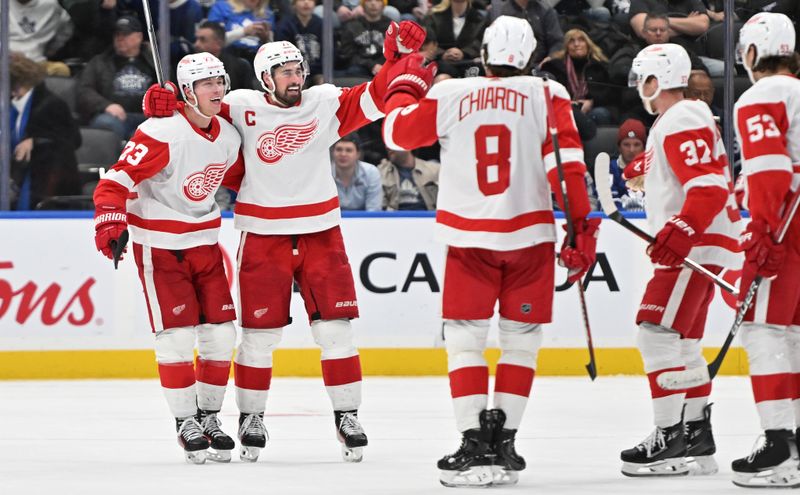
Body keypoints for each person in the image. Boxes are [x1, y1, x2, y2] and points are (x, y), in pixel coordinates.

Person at [144, 21, 426, 463]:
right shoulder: (239, 106)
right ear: (264, 80)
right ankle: (251, 418)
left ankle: (347, 415)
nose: (296, 78)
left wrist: (393, 62)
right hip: (262, 236)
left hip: (321, 231)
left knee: (336, 331)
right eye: (286, 72)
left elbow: (374, 99)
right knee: (259, 337)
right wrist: (160, 105)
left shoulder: (324, 102)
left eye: (299, 70)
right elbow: (192, 114)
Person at [381, 16, 598, 487]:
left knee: (464, 340)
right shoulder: (548, 95)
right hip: (530, 238)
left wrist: (401, 82)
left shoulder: (450, 93)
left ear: (483, 52)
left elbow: (396, 135)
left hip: (469, 238)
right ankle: (507, 441)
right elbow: (568, 170)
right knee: (522, 340)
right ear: (533, 54)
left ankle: (474, 442)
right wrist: (581, 231)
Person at [92, 53, 242, 464]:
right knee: (176, 338)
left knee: (222, 336)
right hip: (161, 249)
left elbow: (246, 177)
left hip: (206, 245)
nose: (216, 90)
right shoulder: (159, 133)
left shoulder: (229, 136)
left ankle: (209, 416)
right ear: (188, 92)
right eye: (206, 84)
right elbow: (114, 182)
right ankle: (184, 421)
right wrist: (109, 223)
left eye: (220, 81)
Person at [618, 42, 742, 477]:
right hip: (709, 240)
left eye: (642, 79)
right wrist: (645, 174)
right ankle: (695, 434)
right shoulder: (684, 118)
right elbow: (688, 171)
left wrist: (682, 229)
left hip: (696, 244)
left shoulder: (680, 116)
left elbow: (706, 186)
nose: (639, 88)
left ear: (657, 79)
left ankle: (668, 438)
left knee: (655, 334)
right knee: (684, 342)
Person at [731, 12, 800, 489]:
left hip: (789, 223)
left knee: (764, 331)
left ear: (752, 53)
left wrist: (763, 233)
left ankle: (780, 445)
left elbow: (772, 173)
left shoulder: (761, 94)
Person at [9, 52, 81, 210]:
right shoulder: (13, 106)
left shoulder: (51, 105)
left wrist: (36, 141)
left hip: (49, 184)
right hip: (25, 179)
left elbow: (74, 139)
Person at [78, 16, 157, 140]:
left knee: (154, 131)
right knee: (105, 123)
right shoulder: (99, 62)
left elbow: (170, 90)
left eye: (125, 34)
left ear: (139, 37)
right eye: (117, 34)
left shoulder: (155, 63)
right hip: (113, 118)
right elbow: (84, 90)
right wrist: (106, 105)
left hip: (148, 118)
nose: (120, 38)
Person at [540, 28, 615, 125]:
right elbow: (547, 94)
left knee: (600, 114)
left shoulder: (600, 66)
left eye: (581, 40)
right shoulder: (554, 67)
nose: (576, 44)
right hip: (562, 109)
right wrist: (567, 103)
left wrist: (592, 102)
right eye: (572, 41)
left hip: (592, 110)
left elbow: (610, 95)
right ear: (566, 46)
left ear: (588, 44)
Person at [423, 0, 487, 78]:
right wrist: (443, 53)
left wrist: (463, 53)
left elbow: (481, 43)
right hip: (439, 62)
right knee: (442, 78)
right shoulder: (432, 16)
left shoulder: (480, 19)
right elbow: (427, 42)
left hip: (469, 63)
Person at [9, 0, 72, 76]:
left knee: (61, 70)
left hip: (36, 63)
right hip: (6, 62)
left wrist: (48, 51)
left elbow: (66, 29)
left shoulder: (50, 4)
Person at [496, 0, 563, 67]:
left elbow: (557, 41)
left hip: (539, 66)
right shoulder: (499, 10)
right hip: (506, 65)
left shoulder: (546, 10)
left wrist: (550, 58)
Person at [194, 20, 257, 91]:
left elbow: (247, 98)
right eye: (196, 39)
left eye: (203, 40)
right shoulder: (189, 66)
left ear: (218, 44)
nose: (196, 44)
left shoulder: (239, 67)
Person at [337, 0, 393, 77]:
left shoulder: (392, 26)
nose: (373, 3)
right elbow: (348, 55)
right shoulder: (351, 25)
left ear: (383, 5)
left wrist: (381, 66)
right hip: (360, 68)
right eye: (368, 0)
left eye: (378, 0)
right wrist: (372, 65)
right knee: (354, 71)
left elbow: (394, 53)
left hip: (384, 67)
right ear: (363, 4)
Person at [274, 0, 324, 85]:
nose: (306, 2)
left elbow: (329, 53)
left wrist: (315, 69)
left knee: (323, 84)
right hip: (294, 69)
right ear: (294, 4)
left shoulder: (322, 24)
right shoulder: (285, 25)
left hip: (318, 70)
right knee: (297, 83)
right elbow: (282, 53)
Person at [207, 0, 274, 62]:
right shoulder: (222, 7)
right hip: (228, 57)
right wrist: (244, 32)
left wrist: (264, 38)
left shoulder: (267, 14)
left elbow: (271, 47)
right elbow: (213, 41)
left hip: (257, 59)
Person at [332, 134, 382, 211]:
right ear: (333, 152)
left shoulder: (371, 172)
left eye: (349, 150)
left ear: (358, 154)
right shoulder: (324, 173)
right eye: (339, 149)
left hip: (364, 221)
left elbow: (373, 211)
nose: (343, 154)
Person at [609, 118, 646, 211]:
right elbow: (609, 204)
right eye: (626, 144)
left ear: (644, 147)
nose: (631, 150)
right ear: (619, 147)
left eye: (637, 144)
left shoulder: (655, 168)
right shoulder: (609, 168)